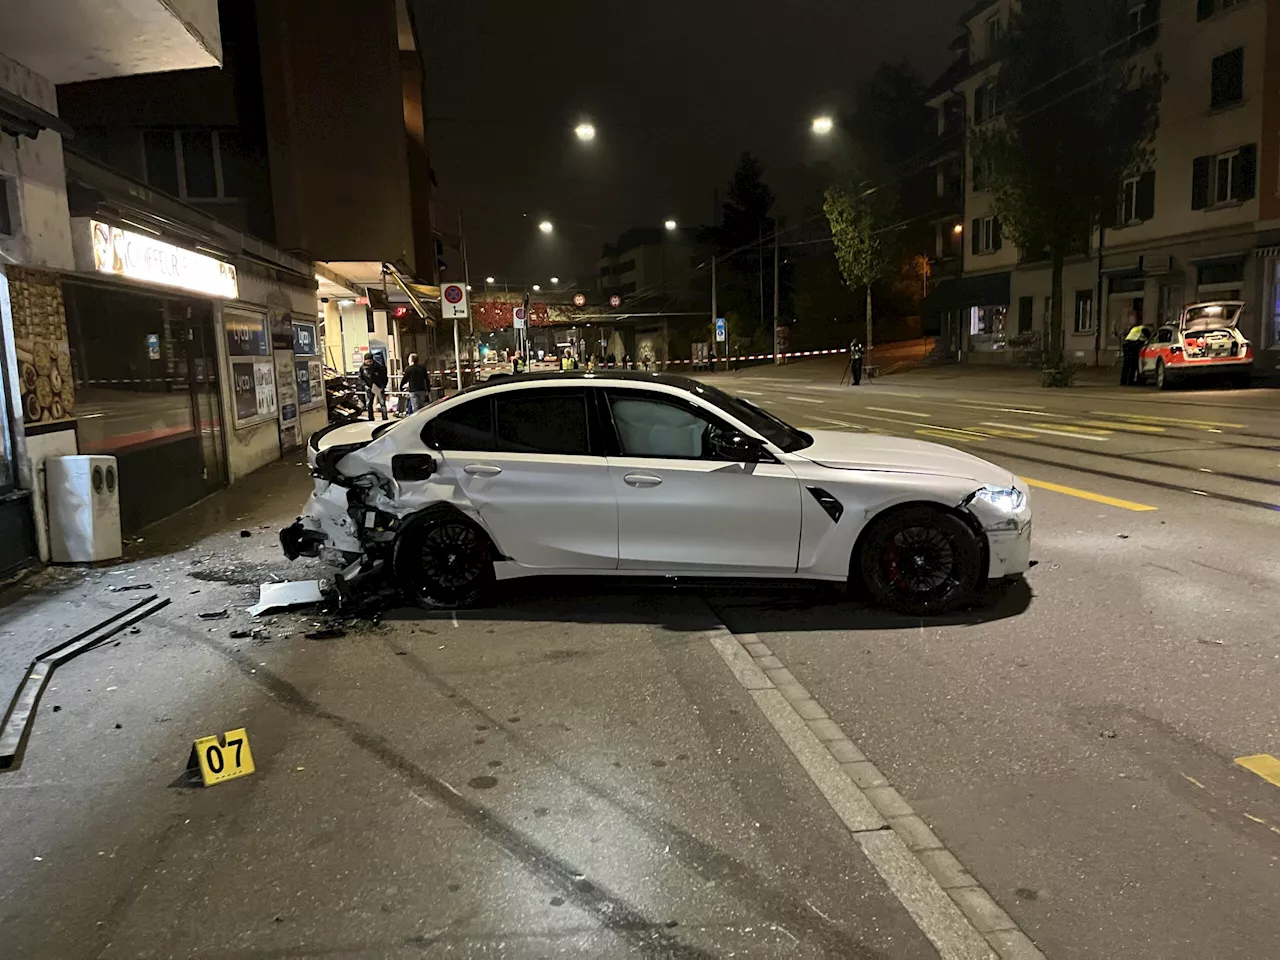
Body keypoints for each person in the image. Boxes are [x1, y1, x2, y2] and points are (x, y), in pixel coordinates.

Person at [358, 354, 389, 421]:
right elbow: (360, 378)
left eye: (370, 361)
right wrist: (365, 385)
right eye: (367, 362)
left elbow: (384, 377)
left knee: (382, 403)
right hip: (368, 387)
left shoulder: (379, 367)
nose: (369, 363)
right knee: (369, 403)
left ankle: (384, 417)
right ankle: (370, 417)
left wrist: (383, 387)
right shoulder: (362, 368)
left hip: (379, 386)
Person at [1120, 318, 1149, 386]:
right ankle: (1130, 381)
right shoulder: (1144, 329)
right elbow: (1149, 337)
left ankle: (1123, 381)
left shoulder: (1135, 328)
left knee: (1126, 364)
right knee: (1134, 364)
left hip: (1127, 345)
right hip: (1134, 346)